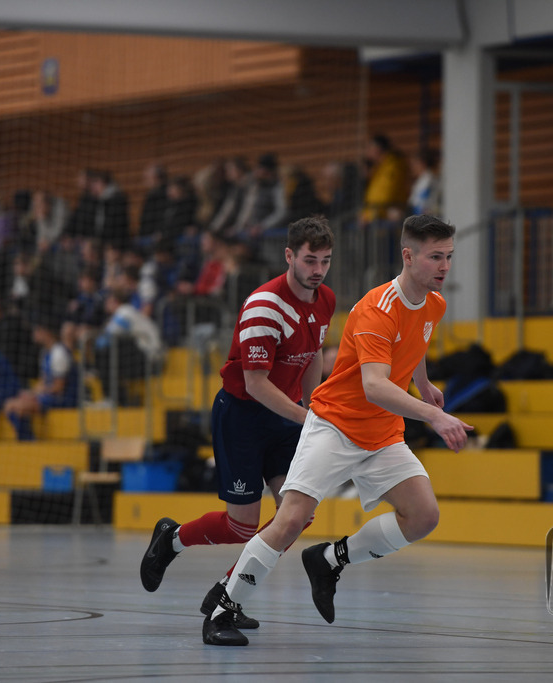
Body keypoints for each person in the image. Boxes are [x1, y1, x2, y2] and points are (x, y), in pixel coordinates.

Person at [198, 214, 473, 646]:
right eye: (435, 256)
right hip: (336, 424)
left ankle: (329, 560)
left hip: (381, 433)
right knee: (290, 520)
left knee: (423, 516)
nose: (444, 265)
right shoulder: (375, 308)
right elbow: (375, 385)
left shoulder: (433, 303)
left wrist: (422, 382)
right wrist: (434, 415)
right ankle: (222, 610)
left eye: (449, 256)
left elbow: (414, 342)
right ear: (408, 255)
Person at [138, 216, 336, 627]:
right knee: (241, 527)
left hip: (285, 419)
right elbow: (257, 384)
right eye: (310, 260)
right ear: (289, 256)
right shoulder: (265, 306)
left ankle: (229, 593)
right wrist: (309, 419)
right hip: (243, 417)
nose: (317, 270)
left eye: (325, 261)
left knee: (298, 514)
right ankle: (171, 540)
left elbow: (314, 354)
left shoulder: (326, 300)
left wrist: (313, 406)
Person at [4, 320, 78, 441]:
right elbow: (44, 381)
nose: (34, 334)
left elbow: (59, 387)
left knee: (18, 407)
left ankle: (29, 441)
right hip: (50, 396)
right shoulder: (45, 353)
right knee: (10, 404)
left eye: (37, 330)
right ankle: (26, 438)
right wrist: (31, 393)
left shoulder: (59, 353)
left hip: (64, 398)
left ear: (45, 332)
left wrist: (38, 394)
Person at [361, 134, 409, 226]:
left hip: (387, 218)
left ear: (377, 148)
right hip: (377, 218)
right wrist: (365, 214)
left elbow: (386, 194)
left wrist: (369, 215)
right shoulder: (379, 167)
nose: (367, 152)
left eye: (369, 148)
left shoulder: (393, 166)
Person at [408, 149, 441, 217]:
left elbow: (422, 204)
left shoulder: (429, 180)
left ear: (422, 163)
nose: (412, 167)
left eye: (414, 164)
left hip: (425, 218)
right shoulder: (421, 180)